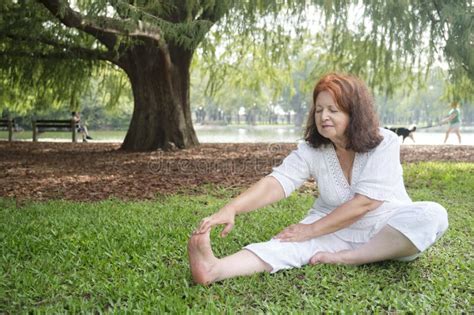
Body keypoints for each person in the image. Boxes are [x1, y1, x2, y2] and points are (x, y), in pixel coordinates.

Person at [188, 73, 449, 285]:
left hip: (388, 230)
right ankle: (215, 269)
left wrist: (310, 230)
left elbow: (366, 203)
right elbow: (278, 182)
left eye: (333, 110)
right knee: (287, 245)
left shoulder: (384, 142)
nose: (324, 117)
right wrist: (232, 208)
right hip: (332, 227)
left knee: (433, 214)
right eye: (319, 110)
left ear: (353, 114)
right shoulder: (312, 149)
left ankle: (351, 258)